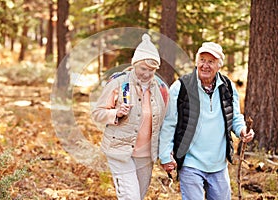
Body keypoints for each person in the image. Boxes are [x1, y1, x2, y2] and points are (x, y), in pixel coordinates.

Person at [159, 42, 255, 200]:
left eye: (211, 61)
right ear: (196, 62)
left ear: (219, 65)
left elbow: (235, 116)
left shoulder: (228, 87)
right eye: (202, 60)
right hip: (190, 162)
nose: (205, 65)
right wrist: (165, 155)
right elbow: (169, 123)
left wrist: (243, 130)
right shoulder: (181, 87)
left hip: (218, 164)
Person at [92, 33, 169, 200]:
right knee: (130, 197)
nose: (147, 74)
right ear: (134, 65)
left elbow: (166, 122)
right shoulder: (118, 83)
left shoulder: (161, 88)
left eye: (152, 70)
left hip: (146, 155)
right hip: (120, 150)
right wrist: (115, 113)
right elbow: (97, 113)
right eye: (143, 69)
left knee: (138, 196)